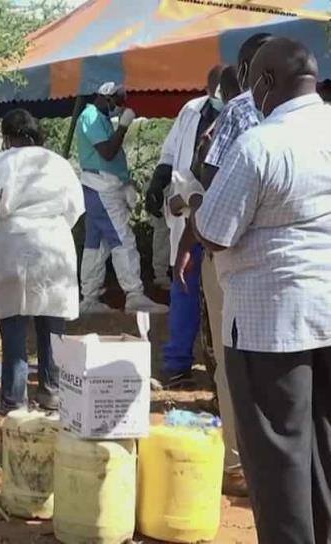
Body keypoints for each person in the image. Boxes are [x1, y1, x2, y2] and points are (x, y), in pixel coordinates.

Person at [194, 37, 331, 543]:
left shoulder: (261, 143)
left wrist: (190, 207)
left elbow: (216, 230)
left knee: (277, 458)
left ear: (267, 83)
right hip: (327, 313)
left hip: (269, 325)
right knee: (324, 447)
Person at [178, 32, 272, 497]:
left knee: (235, 360)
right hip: (308, 272)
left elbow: (212, 182)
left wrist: (193, 221)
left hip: (238, 259)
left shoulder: (238, 112)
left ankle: (237, 465)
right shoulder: (321, 117)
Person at [0, 110, 84, 413]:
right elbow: (75, 209)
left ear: (7, 137)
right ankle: (52, 391)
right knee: (52, 323)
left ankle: (14, 400)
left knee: (13, 326)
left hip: (10, 249)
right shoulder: (59, 164)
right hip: (54, 247)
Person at [146, 65, 224, 389]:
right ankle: (178, 364)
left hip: (222, 212)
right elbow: (169, 152)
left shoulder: (248, 115)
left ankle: (222, 370)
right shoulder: (190, 110)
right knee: (184, 284)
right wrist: (157, 180)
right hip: (186, 211)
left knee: (221, 293)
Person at [76, 82, 167, 315]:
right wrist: (124, 126)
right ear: (105, 96)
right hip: (102, 189)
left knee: (97, 245)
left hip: (102, 188)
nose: (120, 105)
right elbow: (107, 151)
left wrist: (126, 182)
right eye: (118, 100)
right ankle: (134, 294)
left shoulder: (98, 118)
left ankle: (89, 298)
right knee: (122, 240)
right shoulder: (92, 117)